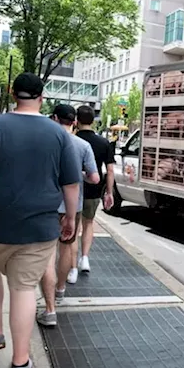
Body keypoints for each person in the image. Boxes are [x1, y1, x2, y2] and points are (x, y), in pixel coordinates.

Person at [0, 73, 82, 368]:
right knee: (23, 289)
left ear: (12, 94)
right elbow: (71, 184)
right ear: (41, 98)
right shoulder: (59, 134)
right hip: (38, 228)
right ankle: (21, 361)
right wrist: (70, 217)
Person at [37, 105, 99, 327]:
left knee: (46, 253)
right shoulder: (83, 145)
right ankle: (61, 289)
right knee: (65, 248)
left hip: (46, 205)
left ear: (54, 118)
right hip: (73, 206)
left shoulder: (44, 142)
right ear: (74, 122)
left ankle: (49, 307)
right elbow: (94, 178)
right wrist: (77, 173)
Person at [70, 105, 115, 275]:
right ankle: (85, 258)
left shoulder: (71, 140)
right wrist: (109, 192)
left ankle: (72, 267)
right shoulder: (104, 143)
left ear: (77, 120)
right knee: (89, 223)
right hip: (94, 190)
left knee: (73, 228)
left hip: (74, 188)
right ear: (93, 121)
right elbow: (109, 170)